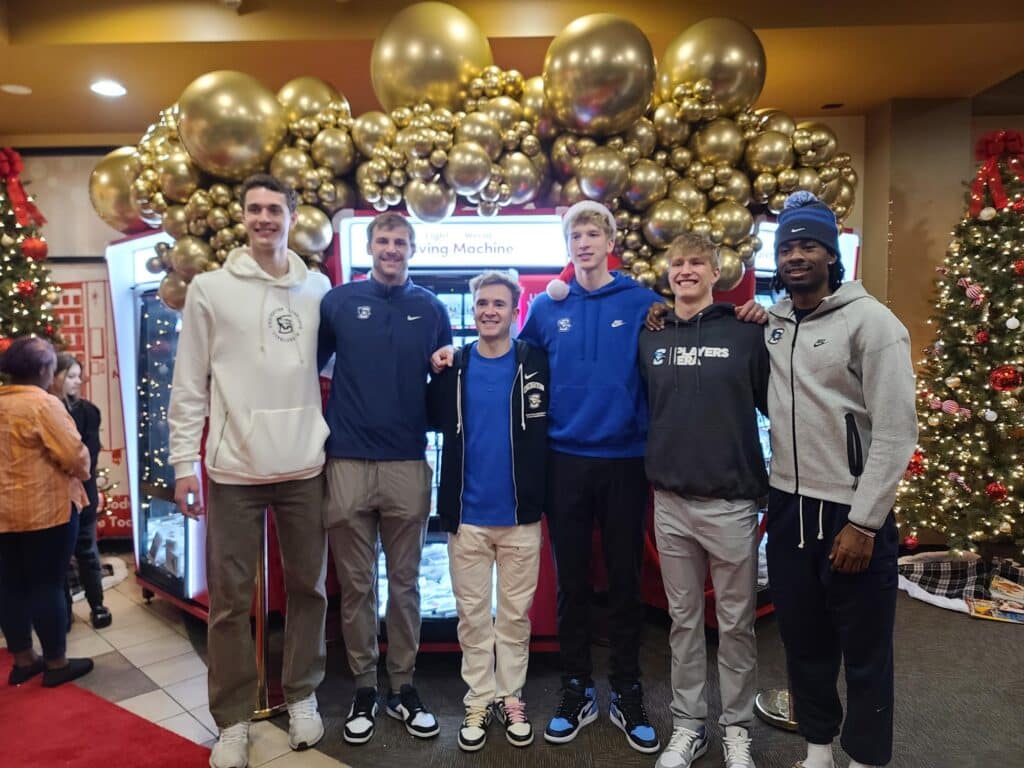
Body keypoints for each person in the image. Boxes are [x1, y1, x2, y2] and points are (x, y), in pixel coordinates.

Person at [168, 174, 331, 768]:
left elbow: (335, 366)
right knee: (232, 602)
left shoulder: (318, 288)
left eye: (274, 209)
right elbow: (189, 382)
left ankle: (303, 693)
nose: (264, 218)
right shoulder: (210, 289)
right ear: (243, 216)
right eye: (254, 209)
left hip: (304, 464)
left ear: (292, 216)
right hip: (233, 469)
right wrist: (183, 463)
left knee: (309, 587)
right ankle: (233, 719)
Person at [764, 192, 917, 768]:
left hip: (850, 513)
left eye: (808, 246)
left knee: (865, 650)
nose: (796, 256)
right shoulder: (775, 322)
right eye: (787, 248)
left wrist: (865, 523)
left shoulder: (873, 323)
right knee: (804, 642)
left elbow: (897, 431)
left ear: (831, 254)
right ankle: (819, 749)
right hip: (788, 506)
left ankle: (867, 758)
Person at [517, 200, 664, 754]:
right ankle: (576, 688)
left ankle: (626, 688)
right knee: (573, 582)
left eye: (592, 234)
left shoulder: (643, 302)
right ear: (568, 246)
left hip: (626, 460)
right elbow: (517, 365)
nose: (583, 243)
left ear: (610, 242)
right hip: (565, 461)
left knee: (625, 581)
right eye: (575, 236)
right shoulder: (546, 307)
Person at [318, 212, 451, 745]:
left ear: (412, 248)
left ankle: (403, 685)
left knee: (406, 584)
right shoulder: (338, 302)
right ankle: (364, 687)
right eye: (383, 240)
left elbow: (443, 379)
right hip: (347, 461)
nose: (391, 249)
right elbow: (307, 370)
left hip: (407, 462)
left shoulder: (431, 308)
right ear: (370, 247)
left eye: (400, 241)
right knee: (355, 586)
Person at [639, 232, 768, 768]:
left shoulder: (747, 332)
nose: (686, 271)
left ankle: (737, 729)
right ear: (668, 273)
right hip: (670, 504)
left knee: (736, 626)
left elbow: (778, 405)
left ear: (717, 273)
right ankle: (689, 726)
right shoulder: (651, 335)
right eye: (677, 263)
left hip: (732, 505)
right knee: (684, 623)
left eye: (697, 263)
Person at [427, 270, 549, 752]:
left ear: (515, 311)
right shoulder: (454, 366)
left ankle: (510, 695)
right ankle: (479, 698)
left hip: (520, 518)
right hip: (468, 518)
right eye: (482, 303)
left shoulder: (534, 362)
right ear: (473, 310)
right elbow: (429, 416)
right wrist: (436, 361)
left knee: (515, 618)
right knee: (473, 618)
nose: (489, 311)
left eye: (499, 304)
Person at [0, 336, 94, 687]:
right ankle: (56, 663)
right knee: (46, 584)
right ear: (43, 370)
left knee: (10, 585)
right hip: (45, 512)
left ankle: (23, 660)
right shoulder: (43, 404)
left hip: (3, 515)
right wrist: (83, 473)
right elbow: (73, 455)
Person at [51, 353, 111, 630]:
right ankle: (64, 612)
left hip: (83, 491)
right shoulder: (45, 410)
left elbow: (90, 455)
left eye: (79, 376)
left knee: (86, 549)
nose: (77, 381)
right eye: (70, 376)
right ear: (54, 376)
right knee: (58, 556)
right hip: (52, 495)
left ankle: (97, 605)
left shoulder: (88, 412)